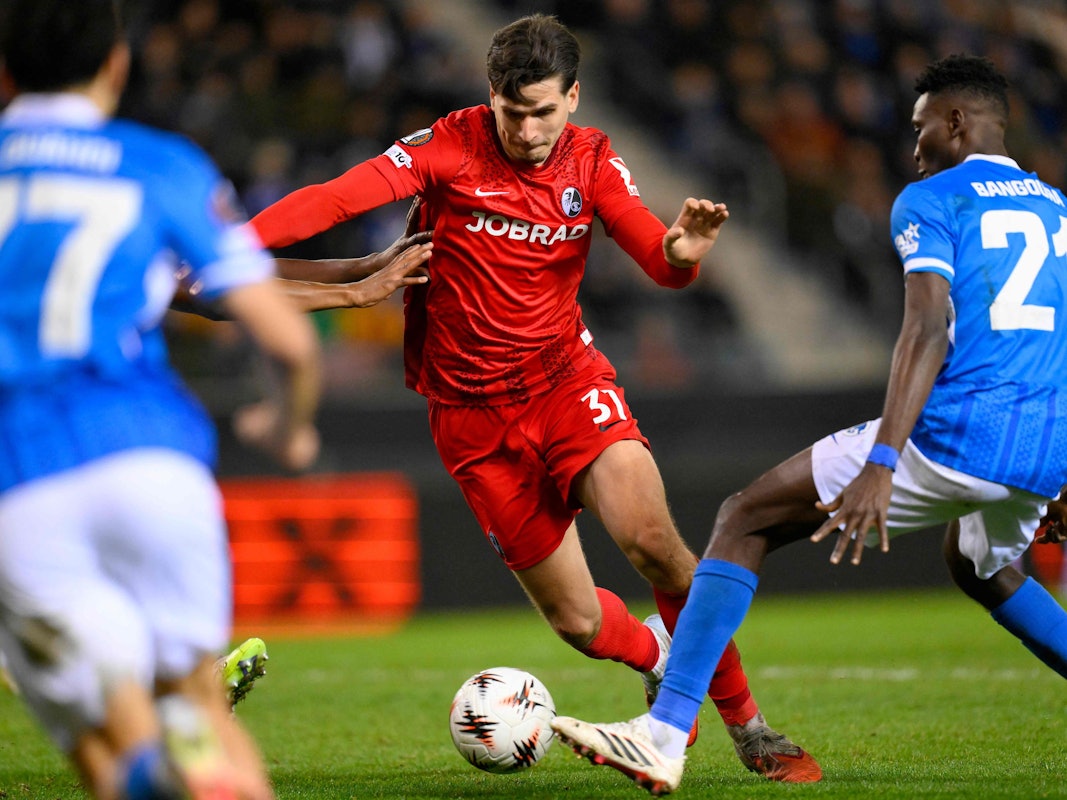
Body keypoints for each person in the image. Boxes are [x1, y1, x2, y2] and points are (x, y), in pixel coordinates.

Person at [249, 13, 820, 782]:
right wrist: (228, 245)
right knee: (580, 624)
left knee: (655, 543)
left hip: (564, 381)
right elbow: (331, 201)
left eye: (543, 111)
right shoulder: (446, 144)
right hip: (469, 418)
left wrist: (683, 253)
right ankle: (657, 651)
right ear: (491, 98)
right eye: (512, 113)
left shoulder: (592, 160)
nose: (526, 131)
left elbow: (661, 259)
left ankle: (749, 726)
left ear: (573, 98)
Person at [550, 53, 1067, 795]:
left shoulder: (933, 199)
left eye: (921, 129)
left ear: (956, 122)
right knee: (980, 565)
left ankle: (661, 734)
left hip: (964, 430)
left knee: (744, 517)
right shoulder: (1051, 204)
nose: (913, 147)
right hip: (1045, 442)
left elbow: (922, 330)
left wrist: (882, 462)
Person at [0, 1, 323, 798]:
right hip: (153, 462)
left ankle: (148, 770)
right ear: (115, 63)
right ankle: (196, 762)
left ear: (5, 74)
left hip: (23, 483)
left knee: (107, 754)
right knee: (199, 713)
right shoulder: (160, 162)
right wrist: (287, 430)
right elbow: (286, 341)